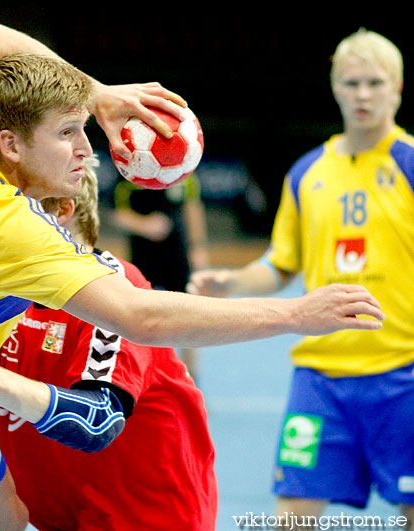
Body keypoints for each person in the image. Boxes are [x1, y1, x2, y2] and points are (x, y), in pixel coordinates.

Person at [0, 21, 385, 531]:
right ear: (11, 144)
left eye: (82, 129)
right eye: (67, 133)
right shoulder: (5, 229)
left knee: (7, 518)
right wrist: (297, 314)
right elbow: (140, 316)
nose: (89, 151)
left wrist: (100, 94)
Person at [188, 28, 414, 525]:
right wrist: (232, 283)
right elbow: (281, 264)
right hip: (320, 379)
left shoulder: (410, 164)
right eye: (351, 83)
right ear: (335, 87)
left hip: (403, 376)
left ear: (397, 88)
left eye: (375, 83)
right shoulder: (307, 172)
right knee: (291, 516)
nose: (362, 95)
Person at [0, 157, 217, 530]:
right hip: (61, 513)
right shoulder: (0, 293)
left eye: (9, 212)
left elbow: (97, 420)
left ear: (61, 213)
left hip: (146, 517)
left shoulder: (114, 293)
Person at [111, 173, 209, 377]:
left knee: (188, 315)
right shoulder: (128, 178)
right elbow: (118, 215)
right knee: (139, 317)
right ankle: (140, 375)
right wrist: (144, 225)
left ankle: (191, 376)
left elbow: (193, 209)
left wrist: (198, 247)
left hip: (178, 257)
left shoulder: (184, 174)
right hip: (143, 260)